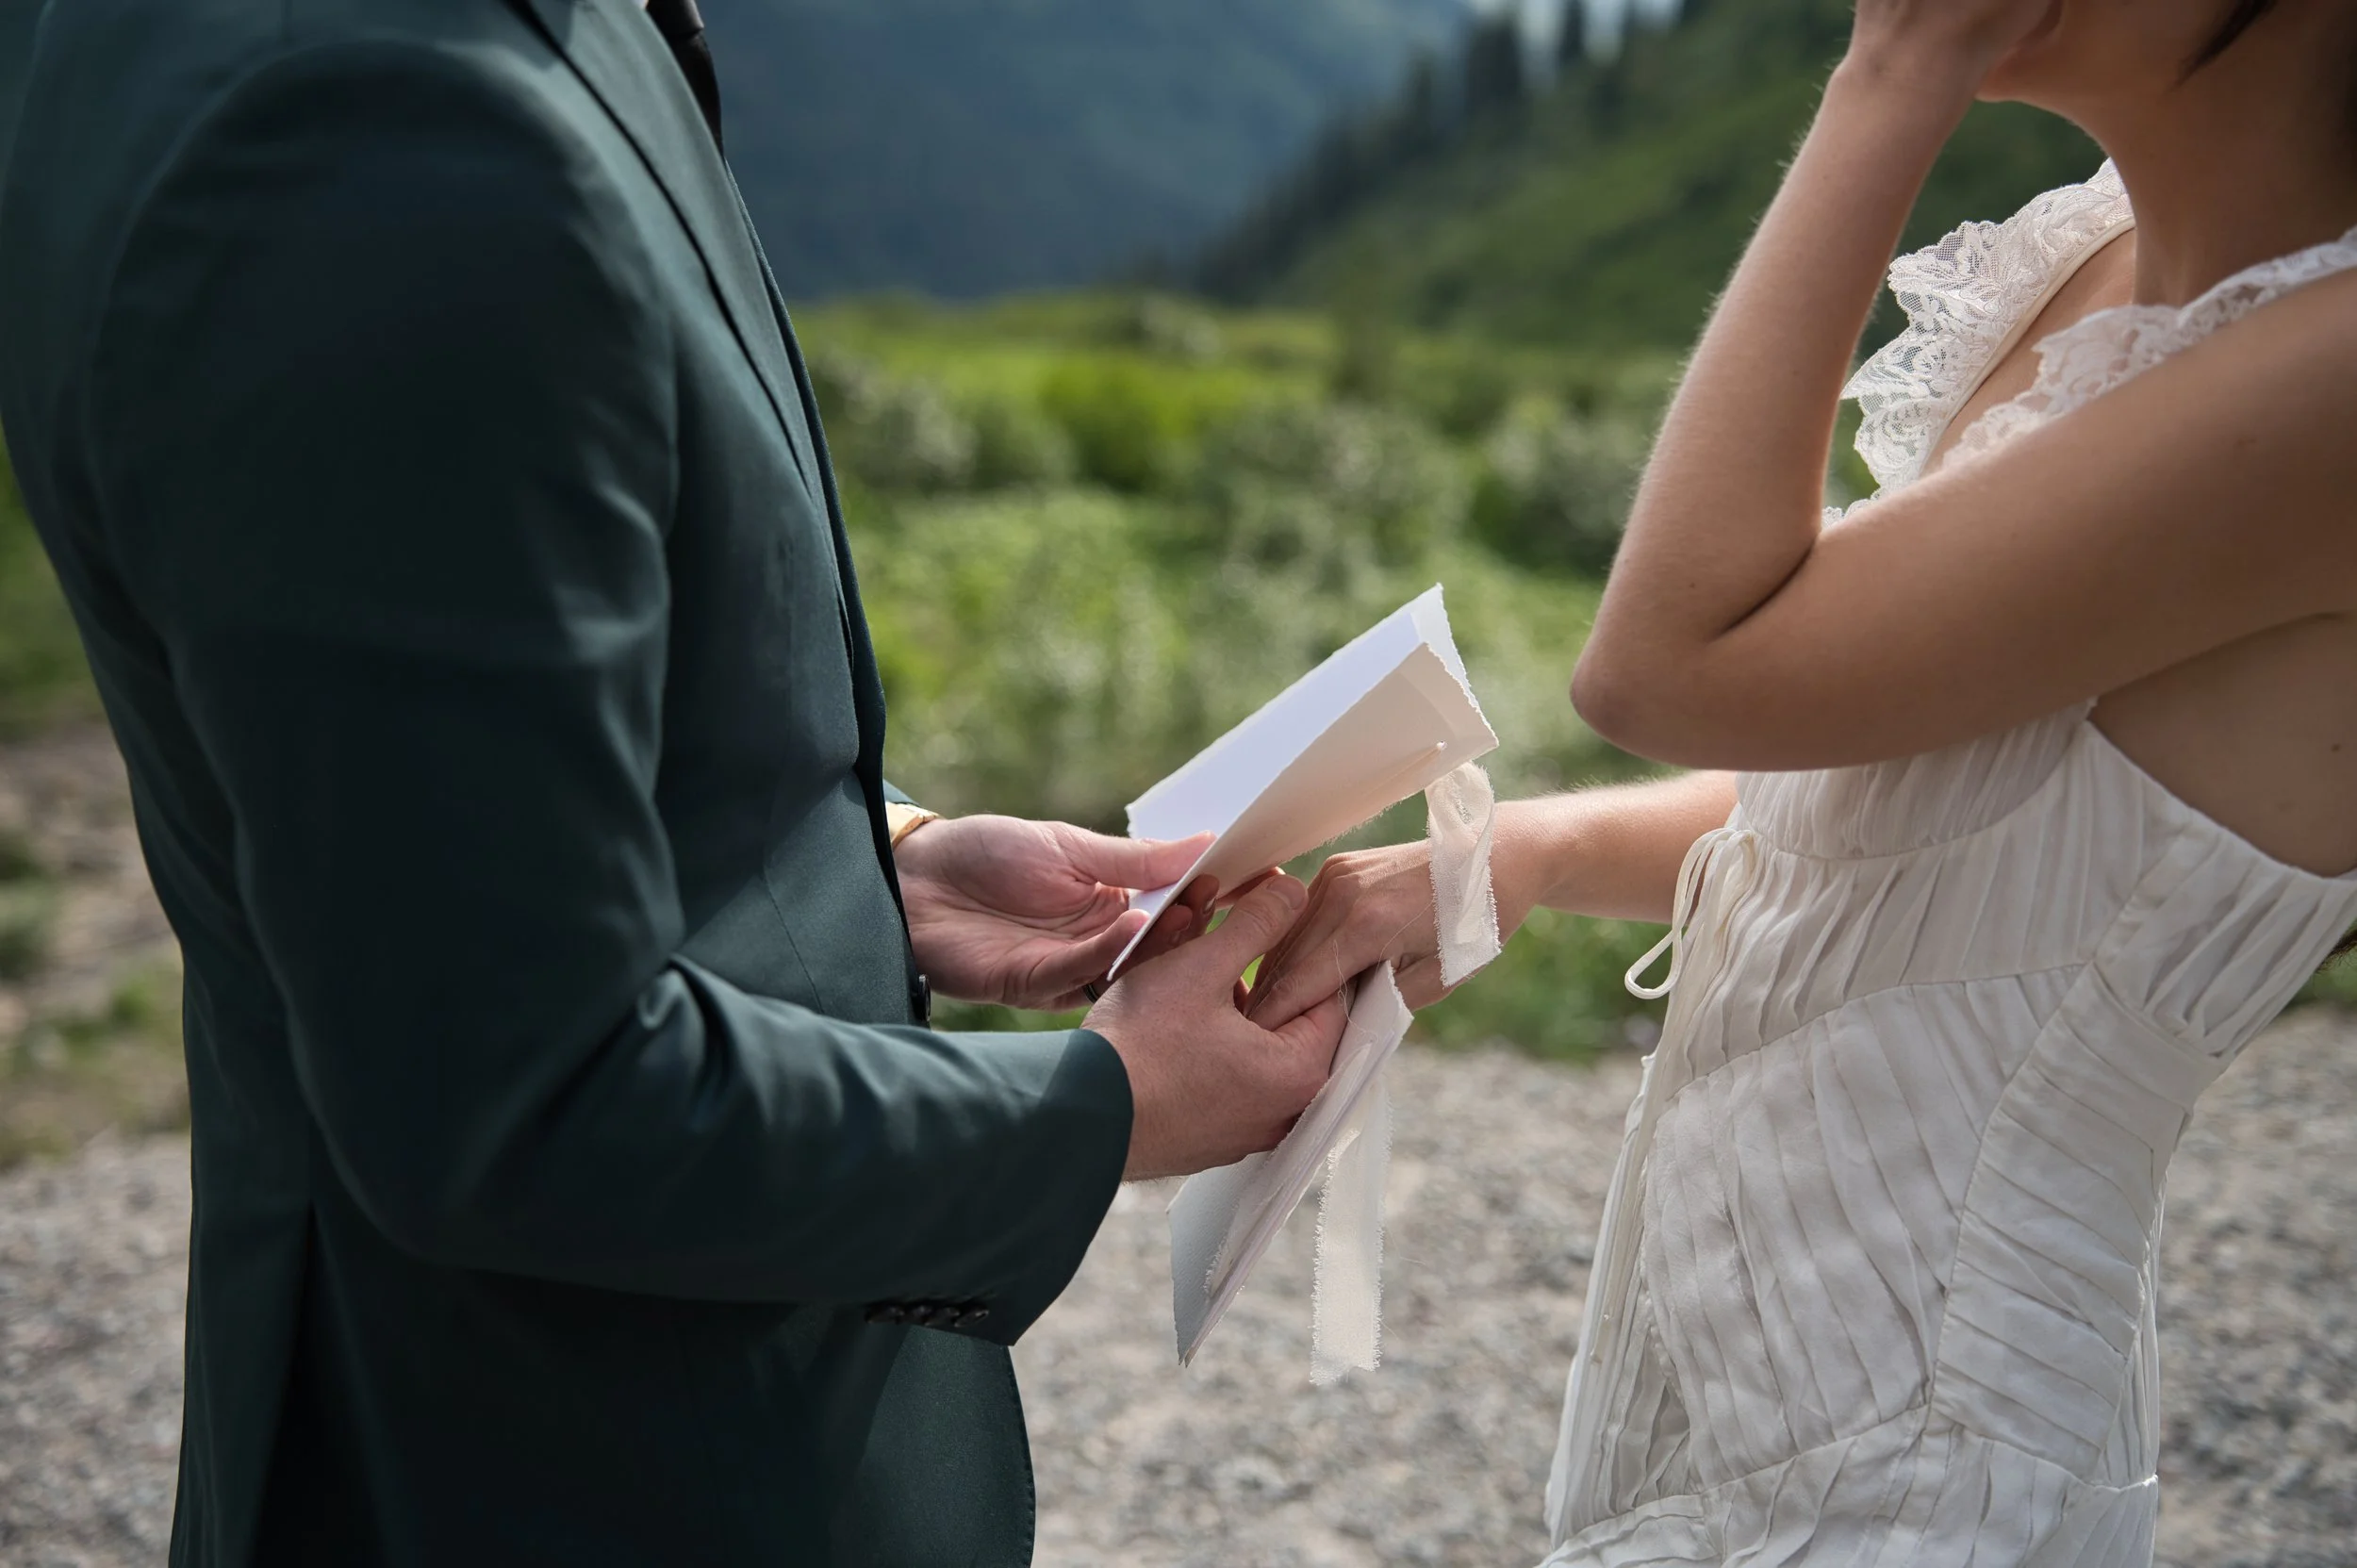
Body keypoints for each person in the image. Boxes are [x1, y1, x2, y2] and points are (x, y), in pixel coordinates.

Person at [0, 0, 1351, 1562]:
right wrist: (1099, 1109)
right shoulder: (380, 142)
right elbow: (513, 1089)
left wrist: (861, 863)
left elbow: (404, 776)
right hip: (574, 1469)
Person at [1250, 0, 2357, 1562]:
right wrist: (1537, 853)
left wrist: (1892, 73)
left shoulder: (2332, 378)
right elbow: (1951, 783)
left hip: (1926, 1452)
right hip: (1735, 1380)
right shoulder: (2097, 263)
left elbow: (1663, 663)